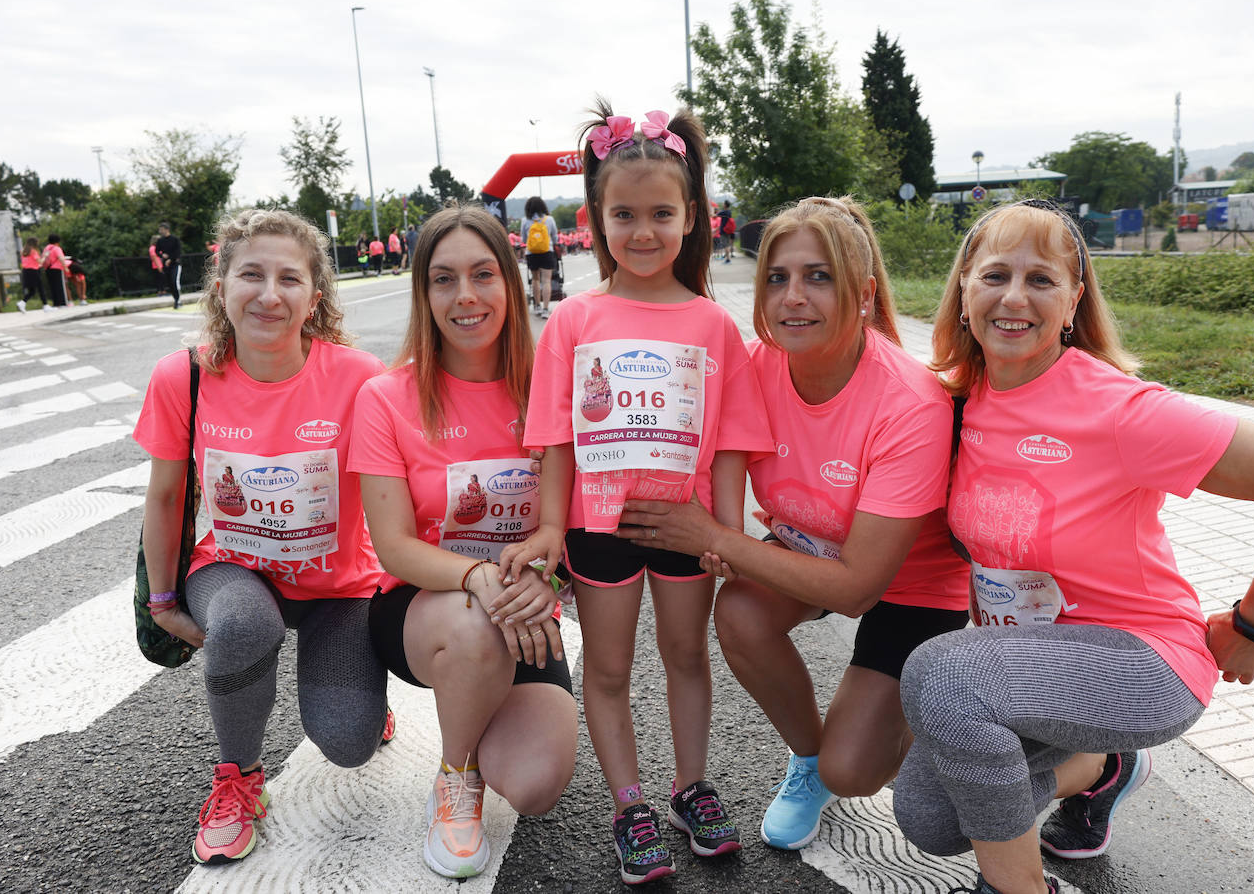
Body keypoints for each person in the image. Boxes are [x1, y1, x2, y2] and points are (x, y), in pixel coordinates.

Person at [891, 199, 1254, 894]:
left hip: (1144, 663)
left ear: (1073, 301)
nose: (1014, 297)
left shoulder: (1120, 410)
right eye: (994, 276)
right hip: (1033, 663)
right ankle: (1104, 769)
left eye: (1041, 280)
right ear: (962, 293)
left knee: (944, 676)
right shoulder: (962, 398)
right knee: (931, 819)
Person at [616, 196, 971, 851]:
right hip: (812, 551)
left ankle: (952, 714)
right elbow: (674, 437)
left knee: (855, 769)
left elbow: (859, 587)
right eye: (777, 278)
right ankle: (808, 761)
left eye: (818, 277)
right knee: (741, 615)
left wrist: (718, 539)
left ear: (863, 295)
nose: (793, 298)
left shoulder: (910, 403)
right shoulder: (756, 366)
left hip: (911, 588)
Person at [501, 103, 772, 885]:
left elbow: (726, 443)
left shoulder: (712, 326)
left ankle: (691, 787)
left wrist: (725, 533)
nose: (644, 231)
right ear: (595, 220)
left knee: (687, 655)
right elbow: (554, 436)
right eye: (625, 214)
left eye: (661, 213)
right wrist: (553, 524)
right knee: (610, 668)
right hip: (598, 527)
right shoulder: (575, 320)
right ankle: (630, 805)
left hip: (684, 529)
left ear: (693, 217)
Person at [134, 208, 393, 867]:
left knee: (348, 741)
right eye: (252, 274)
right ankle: (237, 779)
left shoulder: (361, 376)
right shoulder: (183, 377)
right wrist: (161, 601)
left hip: (340, 586)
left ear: (315, 297)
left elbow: (408, 484)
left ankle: (367, 702)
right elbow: (165, 497)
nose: (270, 294)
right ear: (221, 285)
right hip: (232, 570)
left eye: (290, 279)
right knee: (246, 625)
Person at [349, 204, 578, 880]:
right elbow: (391, 547)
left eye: (483, 275)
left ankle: (480, 707)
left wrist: (550, 582)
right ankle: (456, 777)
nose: (466, 297)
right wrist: (479, 578)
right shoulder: (387, 398)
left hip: (527, 609)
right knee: (477, 619)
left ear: (510, 283)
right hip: (423, 609)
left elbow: (570, 530)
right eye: (444, 280)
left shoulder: (549, 390)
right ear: (424, 294)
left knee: (536, 786)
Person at [520, 195, 558, 319]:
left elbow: (524, 239)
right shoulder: (550, 219)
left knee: (535, 280)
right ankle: (546, 309)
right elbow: (555, 237)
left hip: (532, 253)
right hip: (547, 252)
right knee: (546, 281)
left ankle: (537, 306)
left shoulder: (525, 221)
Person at [18, 236, 49, 312]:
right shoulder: (33, 251)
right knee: (41, 288)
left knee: (32, 291)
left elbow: (29, 262)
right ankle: (45, 306)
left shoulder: (23, 251)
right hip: (33, 272)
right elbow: (40, 262)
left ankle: (22, 302)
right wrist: (45, 256)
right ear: (34, 243)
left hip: (26, 271)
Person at [157, 222, 183, 309]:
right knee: (170, 284)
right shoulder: (160, 241)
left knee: (174, 281)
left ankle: (178, 301)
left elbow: (178, 252)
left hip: (175, 264)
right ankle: (176, 299)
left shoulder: (175, 239)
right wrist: (162, 255)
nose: (160, 231)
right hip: (166, 266)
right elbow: (157, 251)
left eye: (161, 229)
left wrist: (170, 259)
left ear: (167, 229)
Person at [41, 234, 70, 308]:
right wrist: (65, 267)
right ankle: (62, 303)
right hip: (57, 268)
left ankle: (56, 303)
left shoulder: (46, 248)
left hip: (48, 269)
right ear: (57, 241)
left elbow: (43, 258)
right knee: (60, 285)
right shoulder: (57, 248)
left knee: (52, 286)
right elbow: (61, 257)